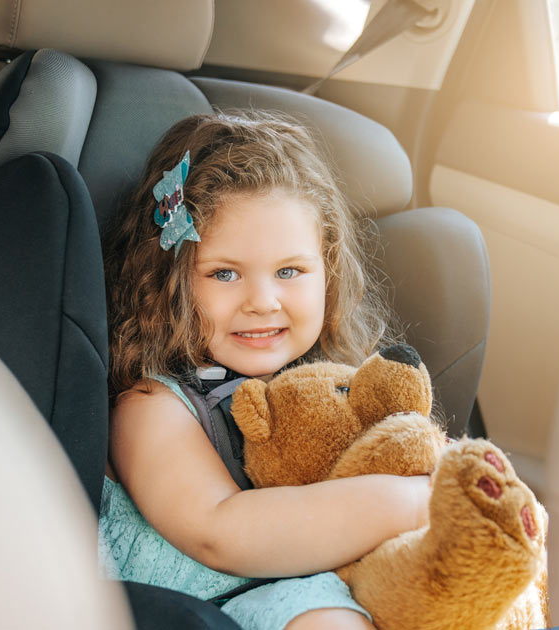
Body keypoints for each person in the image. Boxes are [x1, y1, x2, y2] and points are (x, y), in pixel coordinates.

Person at [98, 111, 430, 630]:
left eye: (289, 271)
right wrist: (410, 503)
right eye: (224, 274)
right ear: (172, 281)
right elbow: (218, 531)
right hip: (207, 609)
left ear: (329, 271)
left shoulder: (333, 385)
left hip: (320, 591)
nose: (263, 301)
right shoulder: (151, 407)